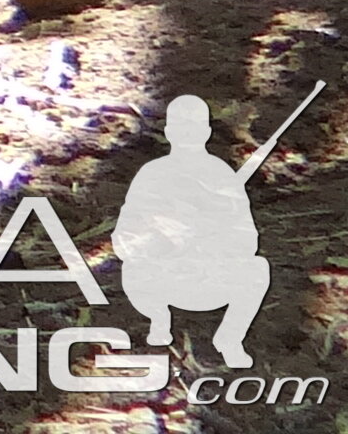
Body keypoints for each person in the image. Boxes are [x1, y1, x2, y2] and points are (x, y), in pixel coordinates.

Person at [113, 94, 271, 364]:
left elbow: (247, 238)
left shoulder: (221, 175)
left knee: (257, 269)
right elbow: (124, 236)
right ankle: (159, 320)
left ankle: (230, 338)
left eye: (194, 127)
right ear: (168, 132)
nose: (187, 134)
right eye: (180, 126)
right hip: (163, 274)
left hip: (209, 275)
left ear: (206, 132)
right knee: (133, 269)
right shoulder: (152, 174)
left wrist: (213, 232)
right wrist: (165, 233)